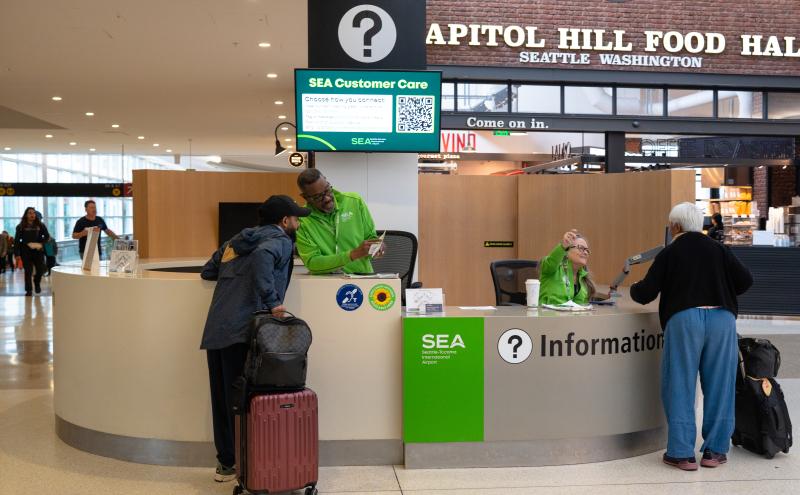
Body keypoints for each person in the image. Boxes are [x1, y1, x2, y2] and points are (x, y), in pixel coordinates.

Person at [630, 202, 753, 471]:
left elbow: (645, 293)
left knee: (680, 384)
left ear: (675, 226)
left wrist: (632, 288)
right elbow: (745, 281)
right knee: (720, 385)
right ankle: (715, 451)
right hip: (722, 320)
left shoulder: (671, 252)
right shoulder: (720, 249)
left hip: (684, 320)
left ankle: (682, 453)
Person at [200, 195, 310, 482]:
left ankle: (226, 464)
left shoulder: (238, 240)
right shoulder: (281, 240)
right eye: (296, 218)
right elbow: (263, 258)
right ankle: (253, 464)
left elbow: (209, 269)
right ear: (284, 221)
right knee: (252, 398)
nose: (297, 223)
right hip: (247, 330)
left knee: (224, 399)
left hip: (217, 329)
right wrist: (273, 302)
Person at [295, 168, 384, 274]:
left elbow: (371, 237)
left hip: (361, 278)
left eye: (327, 190)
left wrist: (377, 247)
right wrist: (352, 255)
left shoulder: (354, 202)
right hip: (325, 283)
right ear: (306, 197)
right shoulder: (302, 221)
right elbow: (312, 263)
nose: (327, 198)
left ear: (328, 182)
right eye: (318, 197)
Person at [538, 229, 596, 305]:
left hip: (571, 317)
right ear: (566, 251)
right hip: (548, 316)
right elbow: (552, 261)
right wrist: (563, 246)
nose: (585, 252)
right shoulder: (551, 268)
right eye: (581, 248)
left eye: (587, 250)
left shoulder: (584, 280)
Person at [15, 207, 50, 296]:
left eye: (33, 213)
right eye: (30, 213)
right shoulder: (20, 226)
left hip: (38, 250)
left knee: (40, 270)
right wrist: (17, 254)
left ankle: (36, 282)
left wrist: (41, 244)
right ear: (26, 215)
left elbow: (47, 237)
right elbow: (17, 241)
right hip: (25, 251)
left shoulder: (41, 225)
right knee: (28, 271)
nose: (32, 214)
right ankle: (29, 290)